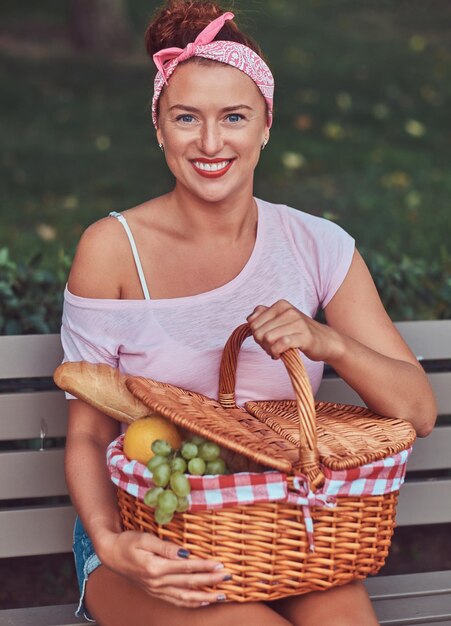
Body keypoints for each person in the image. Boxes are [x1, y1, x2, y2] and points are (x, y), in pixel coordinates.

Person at [61, 2, 437, 624]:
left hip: (284, 533)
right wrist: (110, 544)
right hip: (150, 532)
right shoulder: (111, 249)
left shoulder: (318, 246)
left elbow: (417, 412)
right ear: (158, 127)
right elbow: (89, 432)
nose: (210, 143)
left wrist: (329, 342)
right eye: (186, 118)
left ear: (266, 125)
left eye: (234, 117)